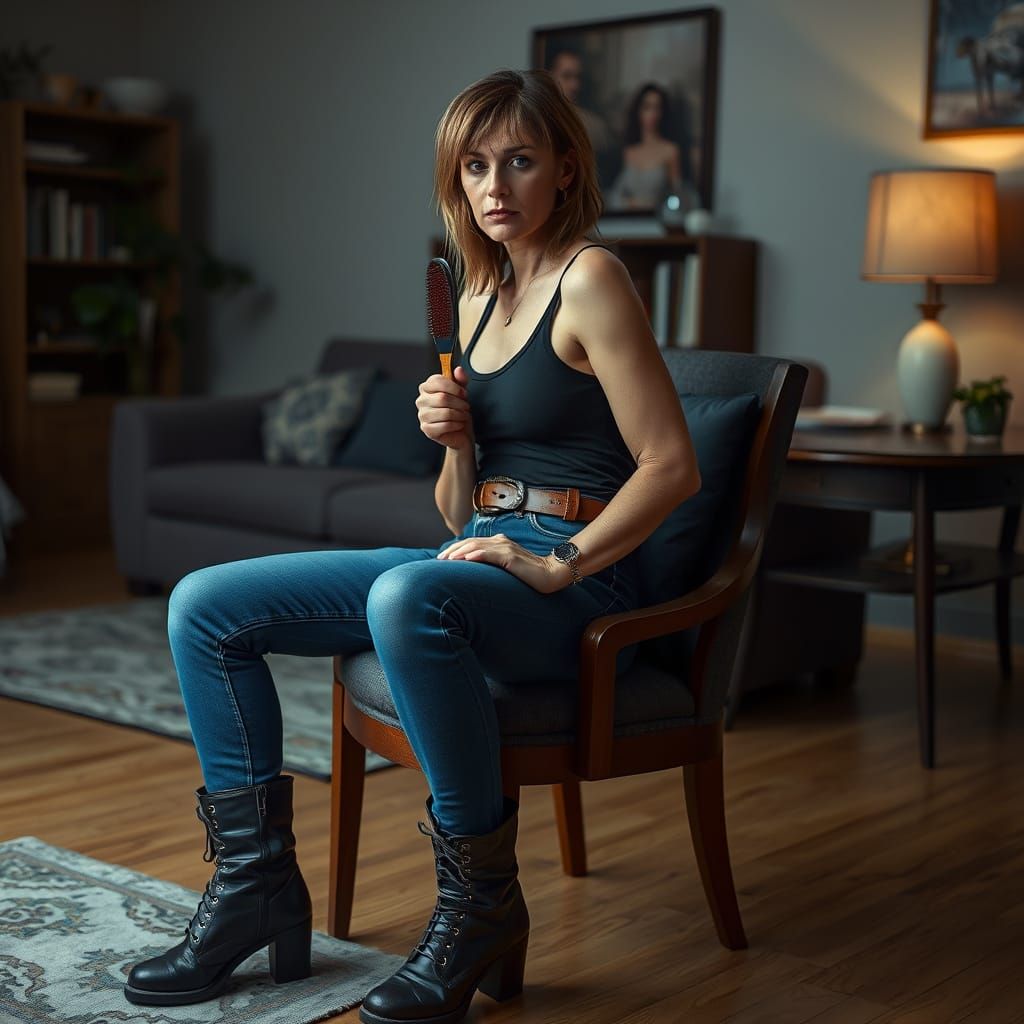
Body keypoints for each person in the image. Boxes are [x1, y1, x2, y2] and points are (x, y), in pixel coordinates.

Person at [122, 67, 700, 1024]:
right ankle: (255, 886)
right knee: (205, 605)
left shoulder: (592, 278)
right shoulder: (473, 292)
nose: (495, 187)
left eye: (519, 161)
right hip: (479, 557)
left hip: (578, 580)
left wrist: (558, 562)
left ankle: (479, 905)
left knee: (403, 599)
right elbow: (453, 511)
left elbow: (671, 465)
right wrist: (456, 438)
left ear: (565, 167)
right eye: (475, 166)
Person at [607, 82, 699, 212]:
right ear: (638, 111)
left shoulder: (670, 151)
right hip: (628, 221)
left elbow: (678, 196)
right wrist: (630, 203)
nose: (652, 114)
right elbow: (614, 196)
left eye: (657, 108)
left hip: (657, 222)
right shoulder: (628, 152)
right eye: (647, 107)